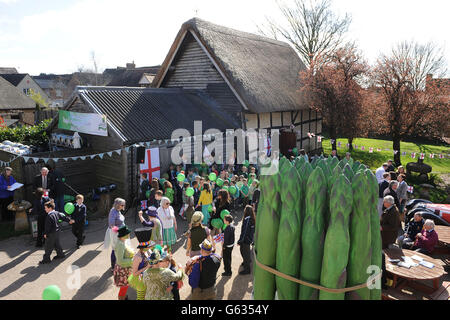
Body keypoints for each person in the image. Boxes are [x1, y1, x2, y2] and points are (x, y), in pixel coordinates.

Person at [127, 228, 152, 300]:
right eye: (149, 246)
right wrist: (147, 267)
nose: (151, 247)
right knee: (141, 297)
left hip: (148, 276)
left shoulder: (148, 251)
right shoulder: (137, 257)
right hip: (140, 280)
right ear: (145, 247)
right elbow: (134, 273)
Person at [113, 225, 134, 300]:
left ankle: (124, 297)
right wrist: (132, 261)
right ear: (123, 235)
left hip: (125, 269)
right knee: (124, 288)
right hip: (123, 270)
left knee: (124, 287)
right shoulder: (120, 245)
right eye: (127, 233)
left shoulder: (122, 241)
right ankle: (122, 298)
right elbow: (120, 261)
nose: (129, 235)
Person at [106, 198, 126, 271]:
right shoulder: (113, 212)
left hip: (120, 232)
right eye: (122, 205)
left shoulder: (118, 211)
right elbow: (112, 225)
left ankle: (119, 263)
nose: (123, 206)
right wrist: (120, 232)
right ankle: (113, 266)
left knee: (120, 248)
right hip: (115, 233)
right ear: (117, 205)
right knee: (115, 248)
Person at [237, 205, 255, 275]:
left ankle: (247, 269)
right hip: (249, 239)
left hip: (245, 240)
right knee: (243, 251)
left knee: (245, 252)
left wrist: (240, 241)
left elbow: (244, 232)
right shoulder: (252, 218)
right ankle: (246, 261)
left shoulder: (247, 219)